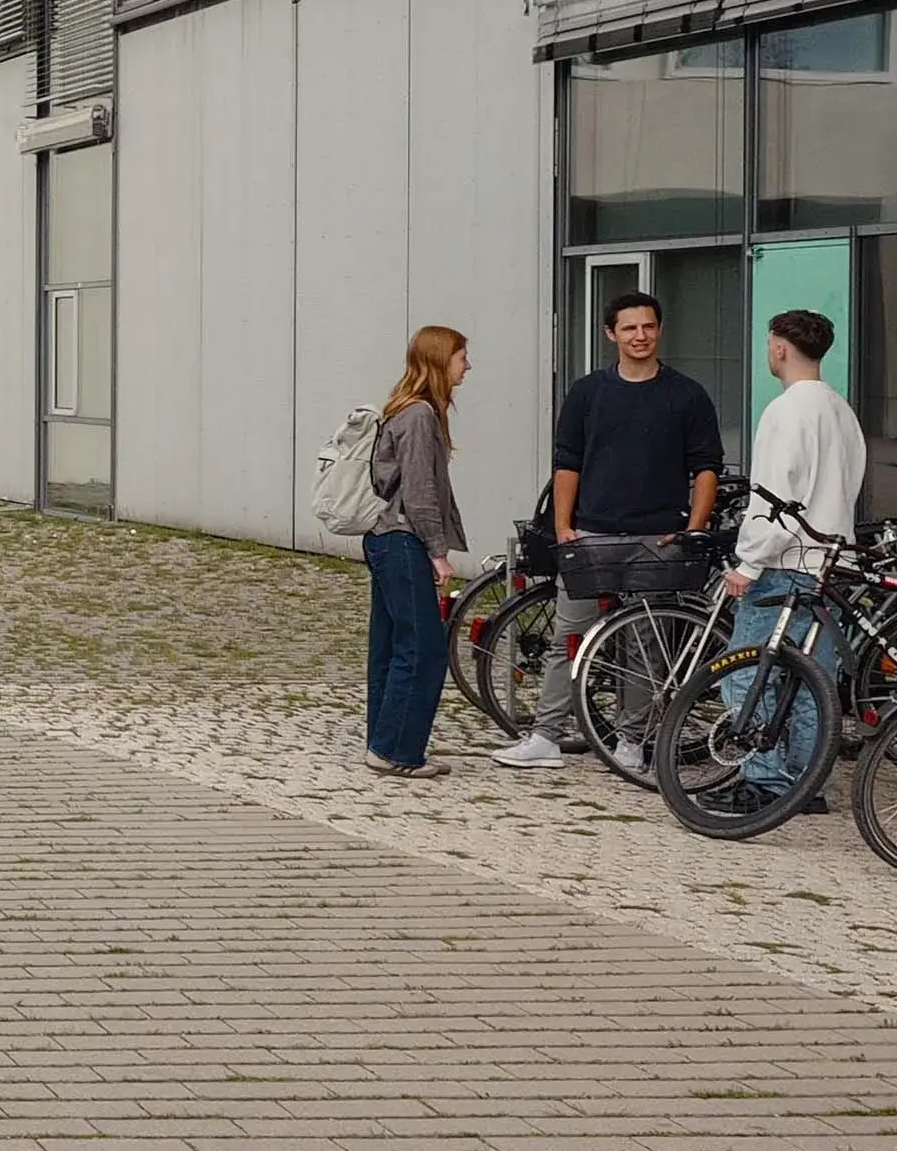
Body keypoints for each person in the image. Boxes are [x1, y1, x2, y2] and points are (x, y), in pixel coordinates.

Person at [497, 285, 722, 774]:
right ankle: (545, 736)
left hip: (658, 538)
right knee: (568, 638)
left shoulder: (687, 395)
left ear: (660, 330)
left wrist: (694, 529)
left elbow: (706, 468)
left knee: (645, 644)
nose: (640, 335)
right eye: (629, 328)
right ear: (610, 334)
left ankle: (631, 741)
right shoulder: (587, 393)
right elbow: (567, 464)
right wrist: (563, 527)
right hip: (591, 535)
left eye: (648, 326)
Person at [720, 306, 869, 799]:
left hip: (785, 565)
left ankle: (764, 781)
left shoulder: (785, 411)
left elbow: (776, 500)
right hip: (833, 565)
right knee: (813, 684)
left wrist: (748, 562)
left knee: (746, 674)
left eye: (769, 344)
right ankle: (806, 785)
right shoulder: (842, 411)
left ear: (780, 348)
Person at [361, 326, 473, 779]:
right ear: (441, 360)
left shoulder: (406, 409)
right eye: (462, 357)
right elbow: (420, 490)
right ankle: (397, 751)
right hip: (402, 539)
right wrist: (437, 550)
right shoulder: (420, 414)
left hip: (386, 537)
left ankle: (382, 743)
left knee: (391, 647)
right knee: (424, 649)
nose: (468, 366)